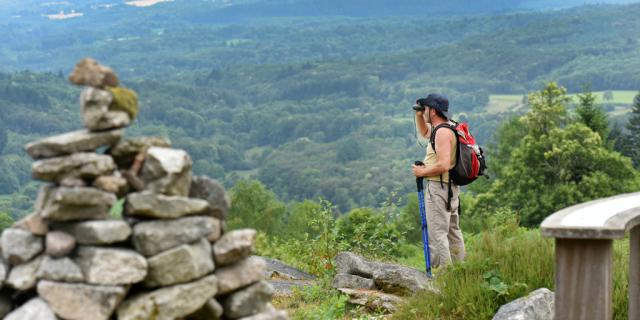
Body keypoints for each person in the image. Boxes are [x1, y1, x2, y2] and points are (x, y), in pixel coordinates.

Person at [411, 93, 465, 268]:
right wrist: (419, 116)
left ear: (433, 111)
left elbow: (443, 165)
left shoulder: (441, 132)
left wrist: (422, 172)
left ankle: (444, 278)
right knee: (453, 232)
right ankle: (460, 272)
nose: (423, 111)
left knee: (437, 234)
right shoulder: (447, 126)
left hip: (438, 187)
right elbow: (426, 132)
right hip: (450, 187)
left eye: (425, 108)